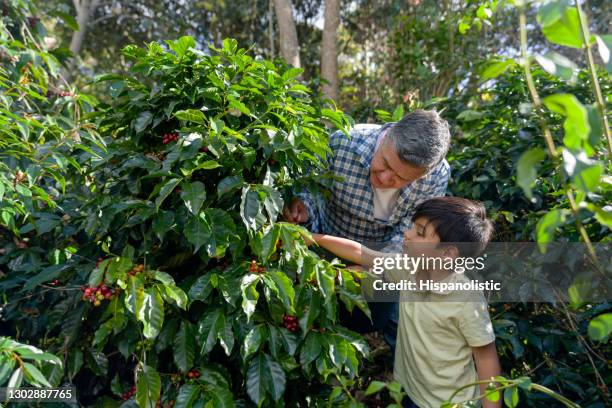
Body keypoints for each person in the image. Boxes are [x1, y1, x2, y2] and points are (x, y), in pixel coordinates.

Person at [307, 197, 501, 408]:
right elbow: (362, 254)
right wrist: (313, 238)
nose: (407, 234)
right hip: (408, 389)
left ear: (447, 254)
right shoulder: (410, 268)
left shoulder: (466, 300)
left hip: (448, 403)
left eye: (419, 232)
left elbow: (486, 360)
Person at [283, 110, 452, 351]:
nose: (384, 178)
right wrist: (303, 209)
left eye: (400, 178)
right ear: (386, 137)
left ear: (421, 175)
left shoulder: (436, 176)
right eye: (384, 163)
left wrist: (375, 269)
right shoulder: (343, 142)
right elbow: (313, 190)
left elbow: (409, 235)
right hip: (325, 245)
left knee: (367, 322)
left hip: (378, 259)